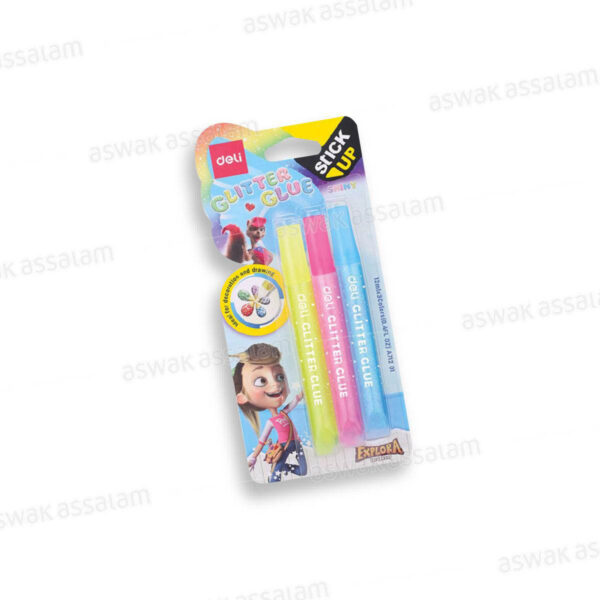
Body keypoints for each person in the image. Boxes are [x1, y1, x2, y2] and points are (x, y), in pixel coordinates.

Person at [232, 343, 307, 482]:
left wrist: (305, 388)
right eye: (261, 381)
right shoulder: (270, 422)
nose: (276, 384)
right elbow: (261, 441)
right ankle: (275, 477)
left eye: (280, 377)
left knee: (303, 471)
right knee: (275, 475)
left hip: (296, 443)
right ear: (242, 397)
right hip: (283, 447)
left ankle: (283, 468)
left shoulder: (284, 412)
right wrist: (253, 457)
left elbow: (295, 401)